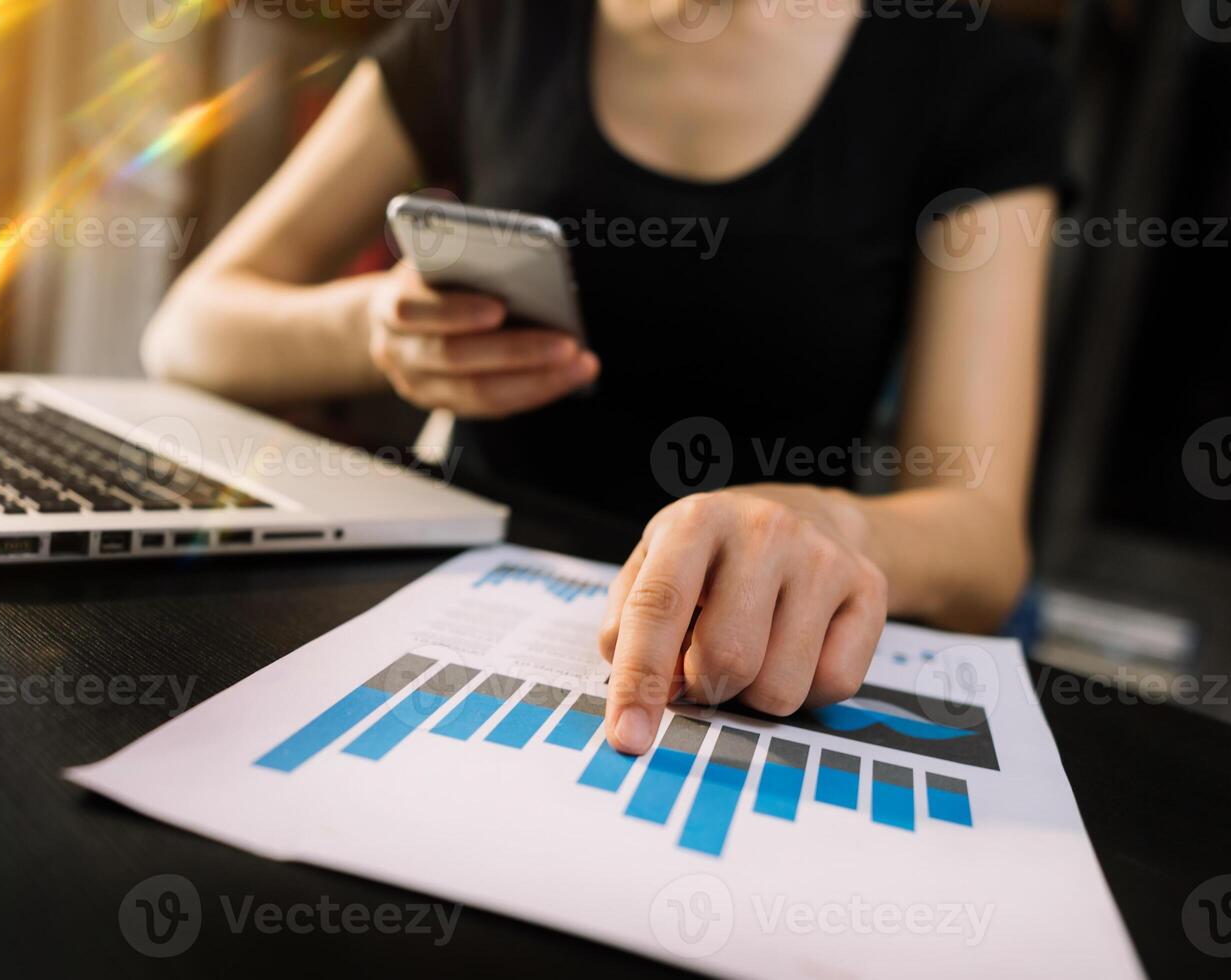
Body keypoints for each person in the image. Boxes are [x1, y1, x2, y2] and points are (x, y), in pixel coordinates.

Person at [140, 0, 1066, 755]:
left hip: (741, 665)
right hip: (446, 617)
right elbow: (187, 333)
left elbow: (982, 544)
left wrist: (827, 521)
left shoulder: (975, 82)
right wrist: (375, 330)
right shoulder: (486, 25)